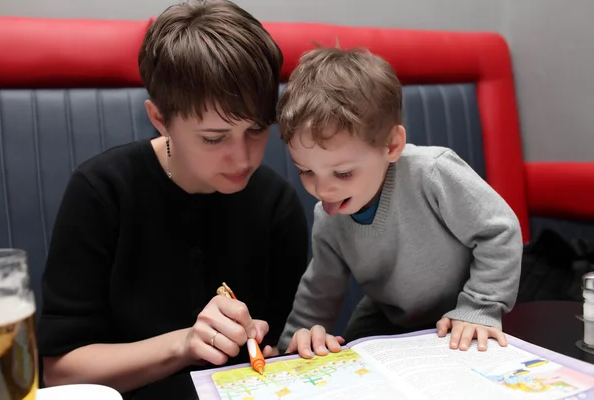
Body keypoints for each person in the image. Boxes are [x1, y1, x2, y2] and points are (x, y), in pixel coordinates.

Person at [37, 1, 309, 397]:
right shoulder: (103, 191)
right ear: (160, 118)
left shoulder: (275, 203)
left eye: (257, 129)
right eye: (214, 138)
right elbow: (60, 372)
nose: (244, 157)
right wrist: (184, 345)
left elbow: (277, 343)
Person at [275, 46, 524, 359]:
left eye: (343, 172)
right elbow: (321, 288)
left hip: (474, 300)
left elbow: (499, 231)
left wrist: (479, 307)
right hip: (393, 315)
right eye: (306, 171)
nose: (323, 189)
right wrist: (291, 345)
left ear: (391, 145)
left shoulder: (432, 172)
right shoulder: (329, 216)